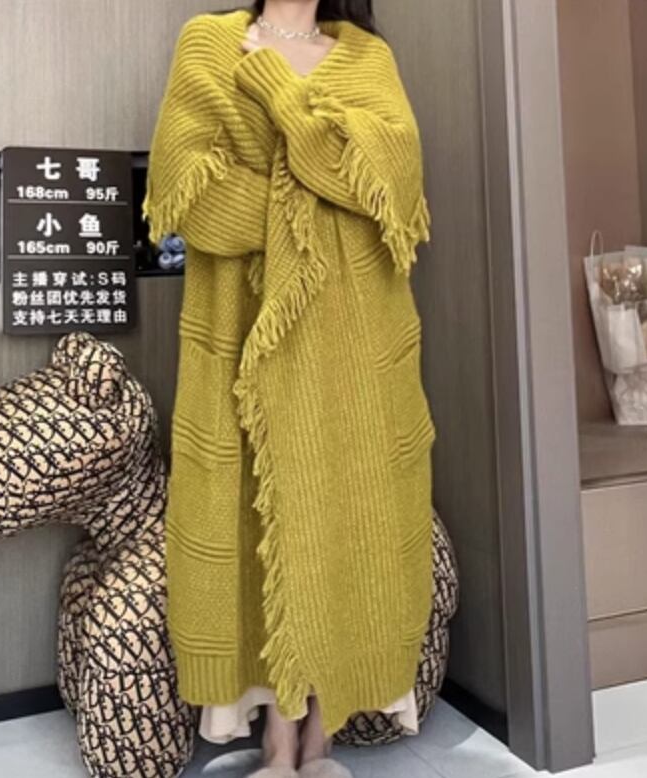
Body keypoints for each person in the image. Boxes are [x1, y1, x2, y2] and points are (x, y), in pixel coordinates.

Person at [142, 1, 436, 776]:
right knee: (257, 526)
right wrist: (314, 182)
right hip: (246, 341)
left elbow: (390, 189)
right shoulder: (209, 42)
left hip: (355, 350)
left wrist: (278, 98)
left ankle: (320, 737)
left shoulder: (367, 57)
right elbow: (191, 195)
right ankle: (278, 741)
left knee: (344, 524)